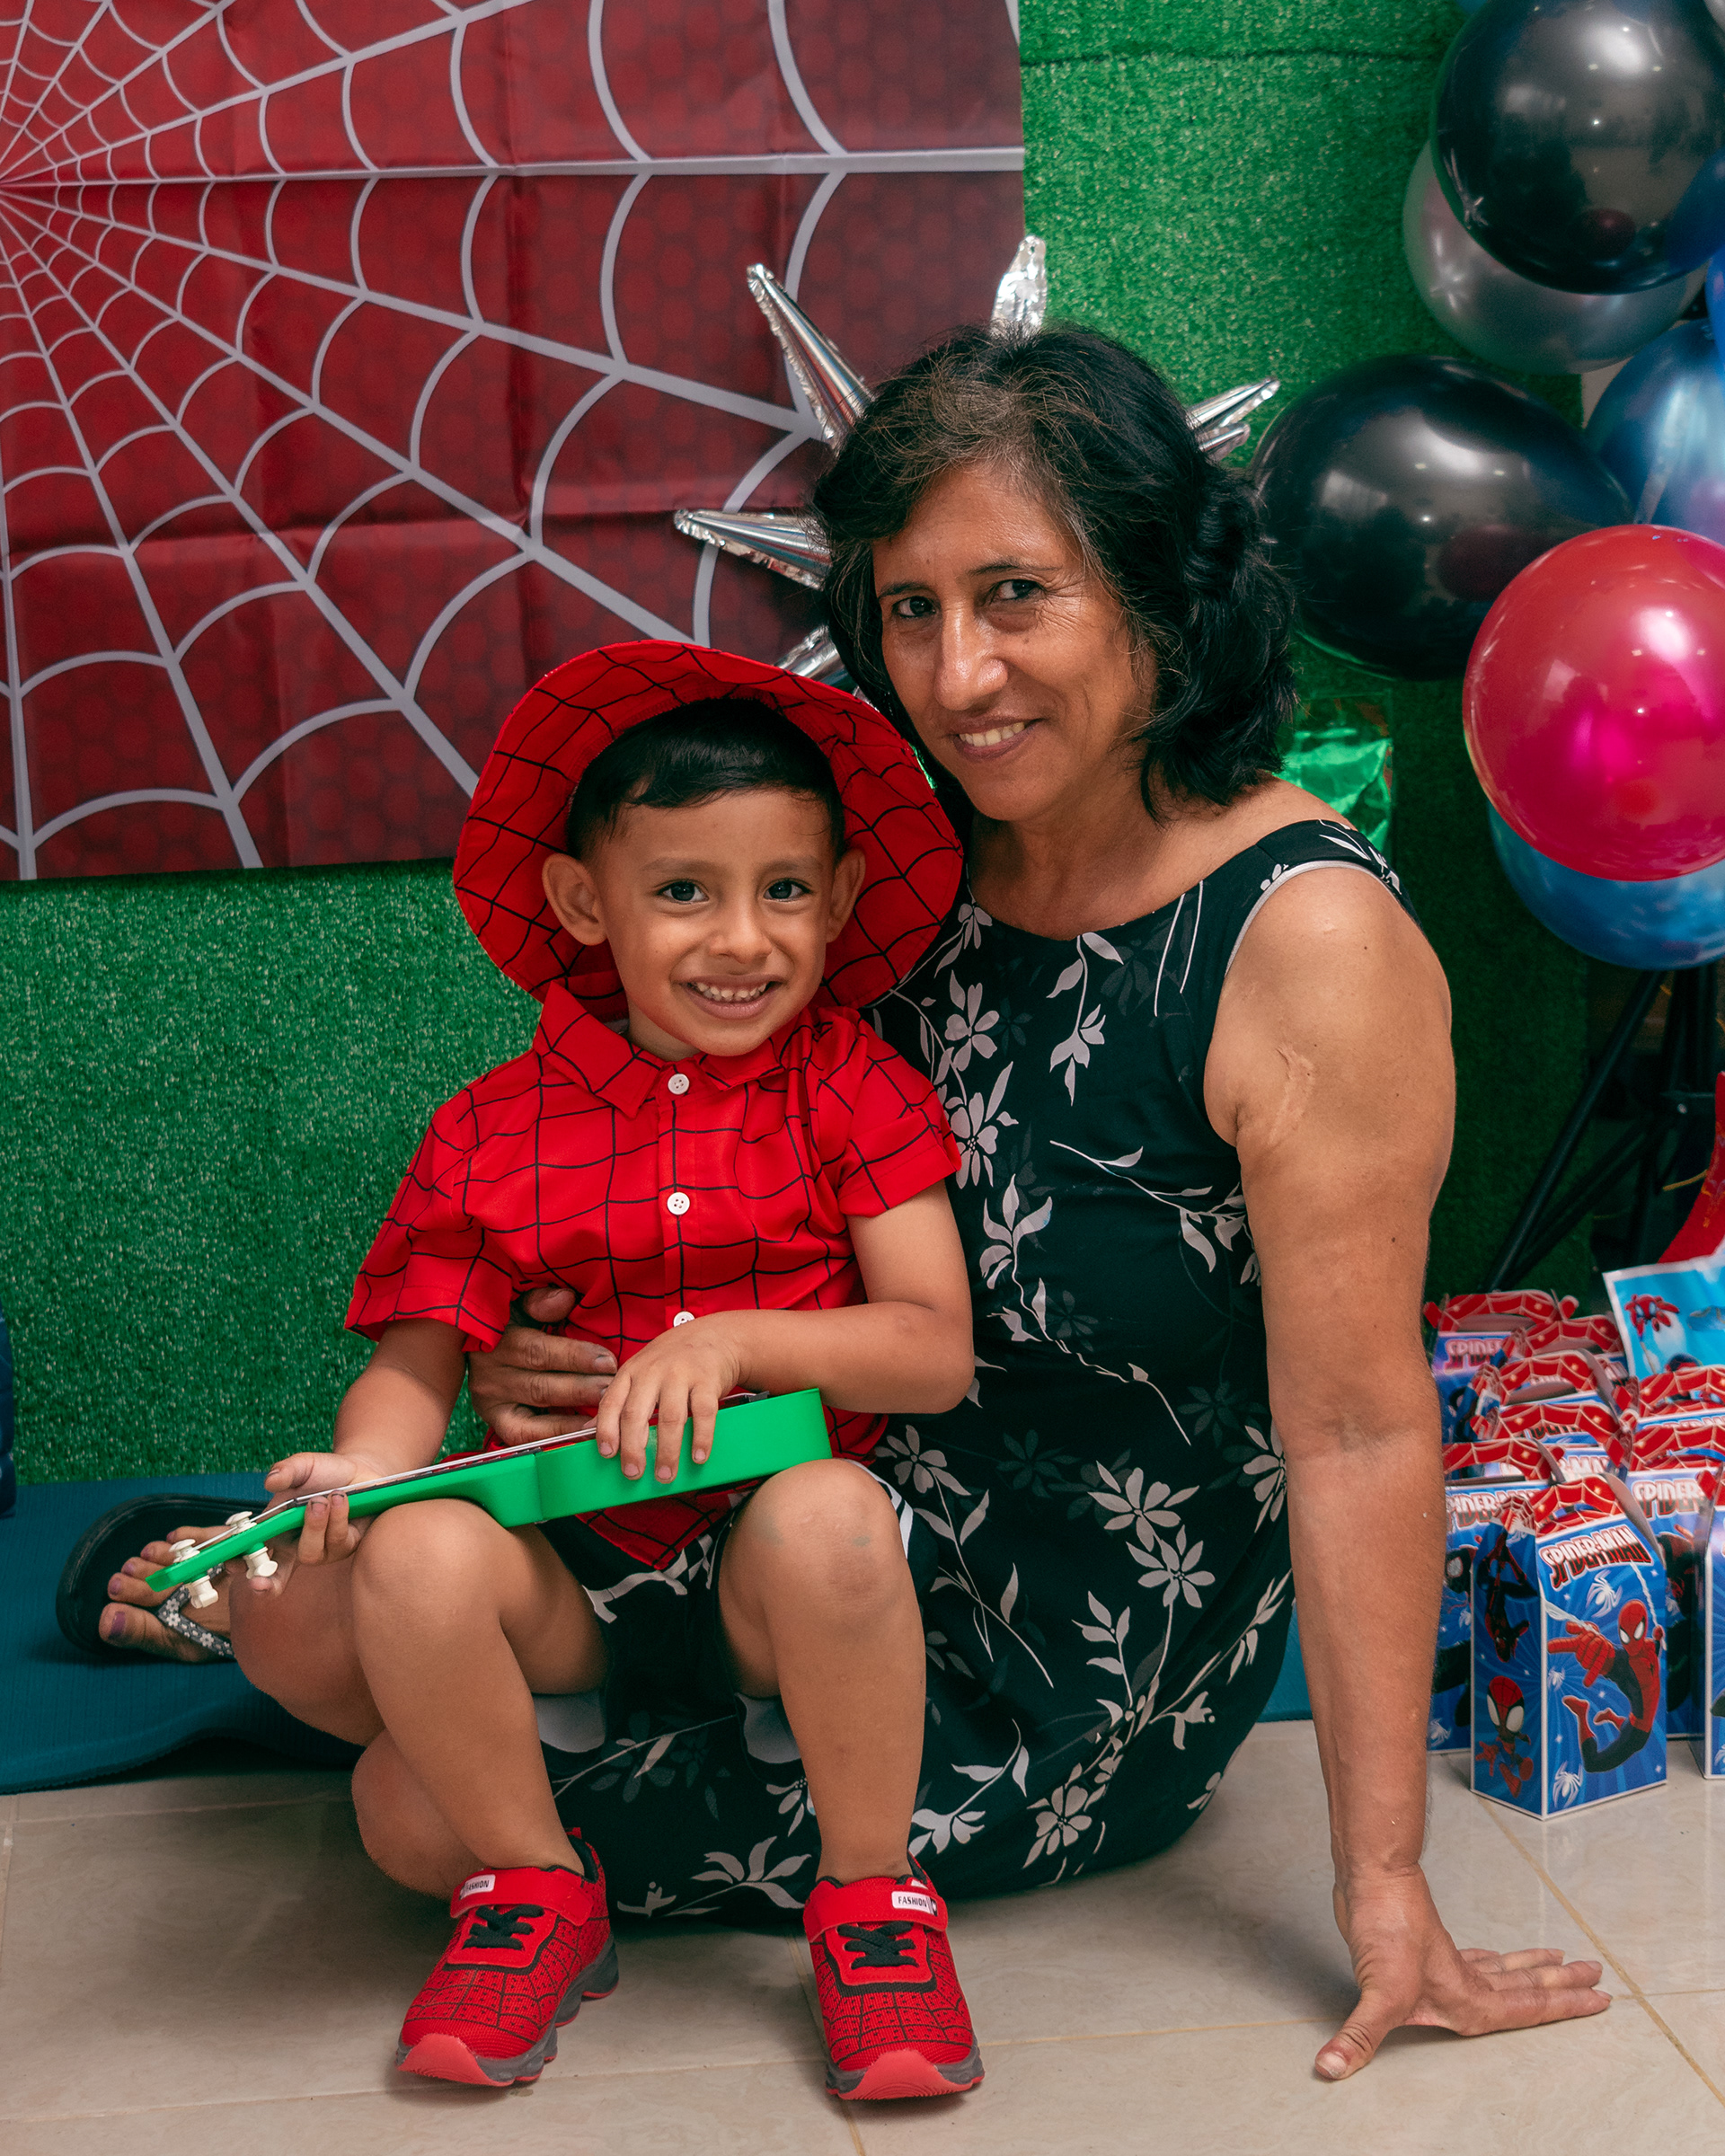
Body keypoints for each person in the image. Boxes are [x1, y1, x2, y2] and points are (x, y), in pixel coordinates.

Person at [101, 321, 1608, 2083]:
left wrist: (1387, 1881)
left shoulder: (1304, 938)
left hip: (1048, 1657)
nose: (959, 674)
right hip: (765, 1516)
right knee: (306, 1615)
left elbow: (1356, 1428)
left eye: (1017, 595)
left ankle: (346, 1670)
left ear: (1157, 588)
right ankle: (249, 1593)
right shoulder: (900, 863)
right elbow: (710, 1161)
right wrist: (543, 1352)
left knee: (406, 1813)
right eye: (910, 609)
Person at [175, 661, 987, 2099]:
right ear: (581, 903)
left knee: (839, 1512)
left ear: (842, 898)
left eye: (785, 891)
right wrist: (369, 1466)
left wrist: (733, 1341)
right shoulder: (486, 1131)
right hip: (568, 1587)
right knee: (411, 1551)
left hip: (769, 1574)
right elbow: (414, 1363)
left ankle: (873, 1904)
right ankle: (536, 1888)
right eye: (683, 892)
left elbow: (931, 1348)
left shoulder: (856, 1088)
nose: (742, 939)